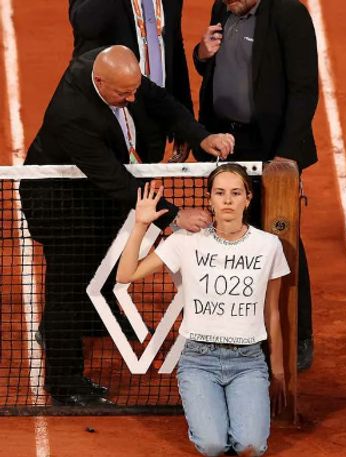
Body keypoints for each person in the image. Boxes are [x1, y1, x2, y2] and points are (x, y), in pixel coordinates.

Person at [21, 45, 234, 406]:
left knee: (104, 253)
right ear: (100, 82)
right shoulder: (72, 114)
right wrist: (172, 215)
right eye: (124, 94)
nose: (133, 98)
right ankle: (65, 381)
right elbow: (113, 178)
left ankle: (95, 319)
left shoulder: (113, 74)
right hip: (58, 202)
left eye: (133, 89)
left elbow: (158, 99)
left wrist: (199, 136)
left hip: (90, 193)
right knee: (68, 287)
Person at [117, 163, 287, 457]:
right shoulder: (185, 242)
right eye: (220, 193)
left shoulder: (268, 246)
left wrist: (279, 371)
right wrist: (141, 225)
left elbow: (272, 313)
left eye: (236, 193)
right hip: (199, 361)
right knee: (212, 445)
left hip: (248, 362)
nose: (228, 200)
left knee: (252, 447)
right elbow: (126, 274)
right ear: (209, 199)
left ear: (248, 198)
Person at [193, 0, 318, 369]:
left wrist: (286, 156)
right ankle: (236, 326)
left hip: (270, 149)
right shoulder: (224, 7)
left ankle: (298, 335)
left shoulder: (288, 15)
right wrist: (202, 54)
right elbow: (215, 68)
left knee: (279, 235)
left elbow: (304, 89)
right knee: (228, 228)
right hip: (225, 143)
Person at [68, 0, 194, 162]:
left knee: (143, 184)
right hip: (110, 116)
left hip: (155, 114)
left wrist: (183, 121)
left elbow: (174, 47)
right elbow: (85, 24)